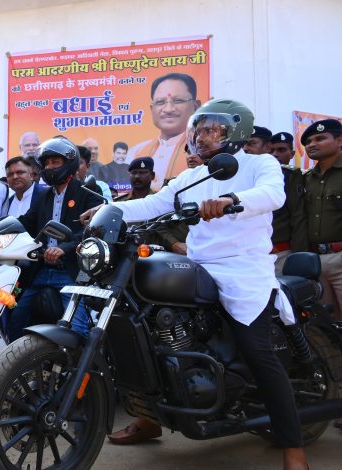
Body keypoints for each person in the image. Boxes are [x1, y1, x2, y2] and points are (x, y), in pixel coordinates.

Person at [87, 98, 308, 470]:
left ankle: (293, 448)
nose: (202, 138)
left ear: (235, 132)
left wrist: (231, 199)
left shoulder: (260, 164)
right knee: (148, 330)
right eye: (199, 131)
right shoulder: (193, 176)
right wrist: (110, 210)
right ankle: (151, 417)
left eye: (211, 131)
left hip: (243, 268)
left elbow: (274, 194)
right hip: (199, 265)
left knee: (258, 353)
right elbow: (155, 204)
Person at [8, 138, 101, 341]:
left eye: (55, 162)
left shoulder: (88, 193)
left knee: (76, 328)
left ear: (69, 163)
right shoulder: (43, 196)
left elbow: (93, 230)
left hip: (71, 272)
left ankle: (82, 362)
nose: (50, 167)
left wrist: (64, 248)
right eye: (47, 163)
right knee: (16, 320)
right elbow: (26, 222)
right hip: (42, 270)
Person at [126, 73, 202, 191]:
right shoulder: (136, 152)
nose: (168, 109)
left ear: (196, 106)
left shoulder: (202, 150)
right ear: (152, 109)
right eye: (160, 102)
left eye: (178, 100)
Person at [301, 119, 342, 321]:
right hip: (315, 260)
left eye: (320, 138)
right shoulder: (306, 178)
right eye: (308, 142)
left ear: (340, 141)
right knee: (326, 325)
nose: (312, 144)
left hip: (340, 256)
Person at [265, 131, 308, 273]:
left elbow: (298, 217)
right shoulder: (259, 175)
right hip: (257, 252)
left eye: (281, 150)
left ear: (292, 153)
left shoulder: (292, 176)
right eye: (271, 151)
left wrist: (299, 254)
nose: (275, 154)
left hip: (282, 251)